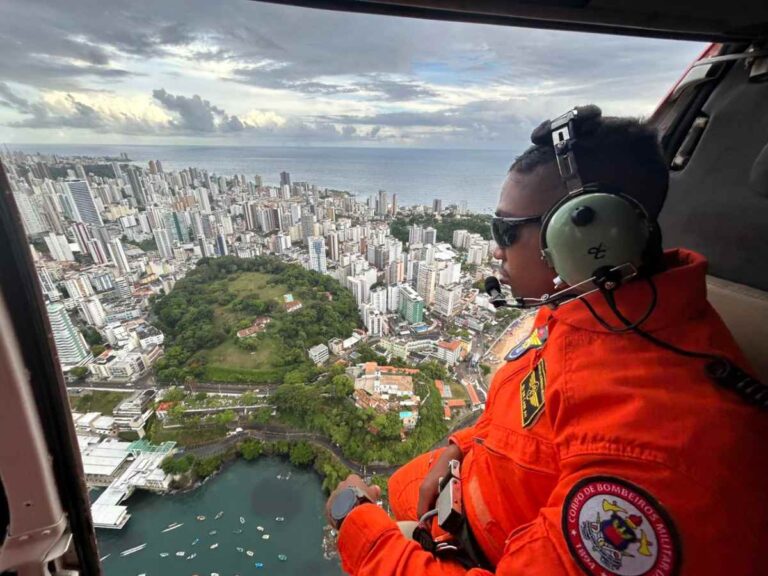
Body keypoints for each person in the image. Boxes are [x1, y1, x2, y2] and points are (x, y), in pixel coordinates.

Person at [325, 107, 768, 576]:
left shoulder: (652, 452)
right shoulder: (589, 315)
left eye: (505, 230)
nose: (495, 249)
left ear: (585, 237)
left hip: (481, 546)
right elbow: (527, 416)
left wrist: (359, 529)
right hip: (468, 494)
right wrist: (460, 444)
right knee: (402, 485)